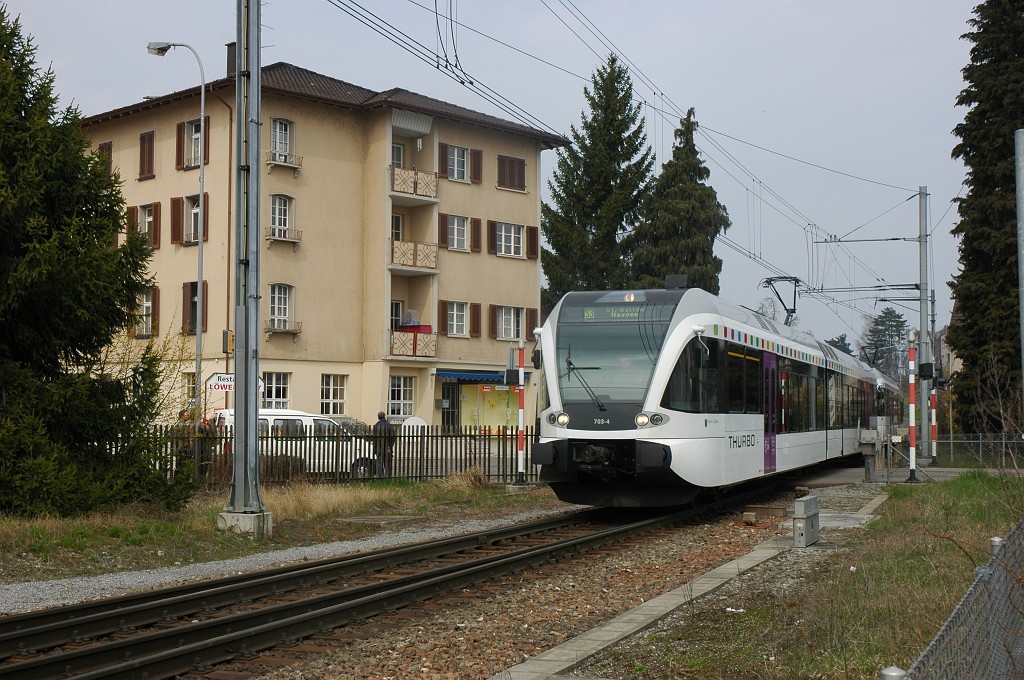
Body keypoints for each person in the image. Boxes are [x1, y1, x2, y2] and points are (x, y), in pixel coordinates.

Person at [372, 411, 396, 478]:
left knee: (379, 464)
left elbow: (374, 439)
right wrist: (390, 446)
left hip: (379, 448)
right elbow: (393, 437)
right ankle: (388, 477)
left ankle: (380, 477)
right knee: (388, 464)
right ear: (384, 416)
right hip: (387, 448)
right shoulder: (389, 425)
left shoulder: (376, 426)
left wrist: (375, 449)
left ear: (378, 417)